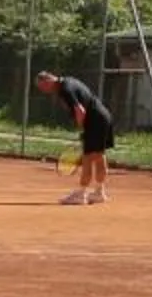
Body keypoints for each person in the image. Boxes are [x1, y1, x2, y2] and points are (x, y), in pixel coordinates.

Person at [40, 70, 112, 204]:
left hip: (94, 121)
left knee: (88, 157)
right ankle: (99, 192)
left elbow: (80, 110)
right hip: (104, 117)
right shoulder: (69, 80)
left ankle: (81, 194)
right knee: (99, 155)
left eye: (43, 87)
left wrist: (83, 128)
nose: (44, 91)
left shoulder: (64, 89)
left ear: (48, 81)